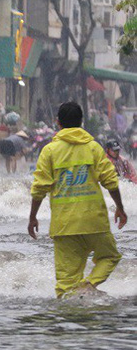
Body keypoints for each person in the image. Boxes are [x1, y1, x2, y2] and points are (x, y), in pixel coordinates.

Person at [29, 101, 128, 298]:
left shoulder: (50, 151)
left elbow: (40, 187)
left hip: (64, 225)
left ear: (58, 123)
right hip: (95, 222)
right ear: (82, 121)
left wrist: (32, 217)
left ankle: (71, 322)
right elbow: (111, 181)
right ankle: (88, 286)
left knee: (65, 285)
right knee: (109, 256)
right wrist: (120, 208)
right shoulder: (93, 148)